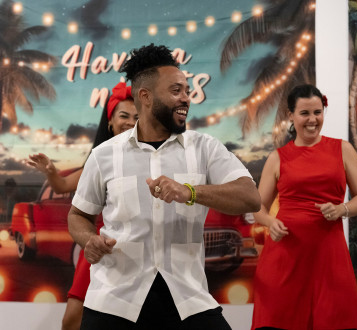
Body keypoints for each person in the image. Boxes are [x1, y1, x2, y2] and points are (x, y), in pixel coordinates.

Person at [67, 44, 261, 330]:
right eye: (176, 91)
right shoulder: (104, 155)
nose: (186, 99)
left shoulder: (205, 148)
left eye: (186, 90)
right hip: (115, 300)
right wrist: (88, 240)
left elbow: (251, 197)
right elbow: (78, 215)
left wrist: (190, 192)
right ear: (145, 96)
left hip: (188, 298)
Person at [251, 84, 357, 330]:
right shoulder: (277, 158)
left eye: (318, 112)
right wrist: (270, 222)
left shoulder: (343, 149)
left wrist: (341, 210)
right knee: (281, 322)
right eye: (305, 113)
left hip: (329, 253)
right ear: (290, 116)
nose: (312, 119)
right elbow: (257, 207)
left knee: (336, 320)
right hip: (285, 256)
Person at [27, 81, 137, 330]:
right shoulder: (99, 160)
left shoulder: (154, 159)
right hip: (100, 248)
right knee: (72, 320)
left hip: (138, 250)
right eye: (124, 115)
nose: (131, 122)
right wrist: (51, 172)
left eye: (137, 117)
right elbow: (63, 185)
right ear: (109, 122)